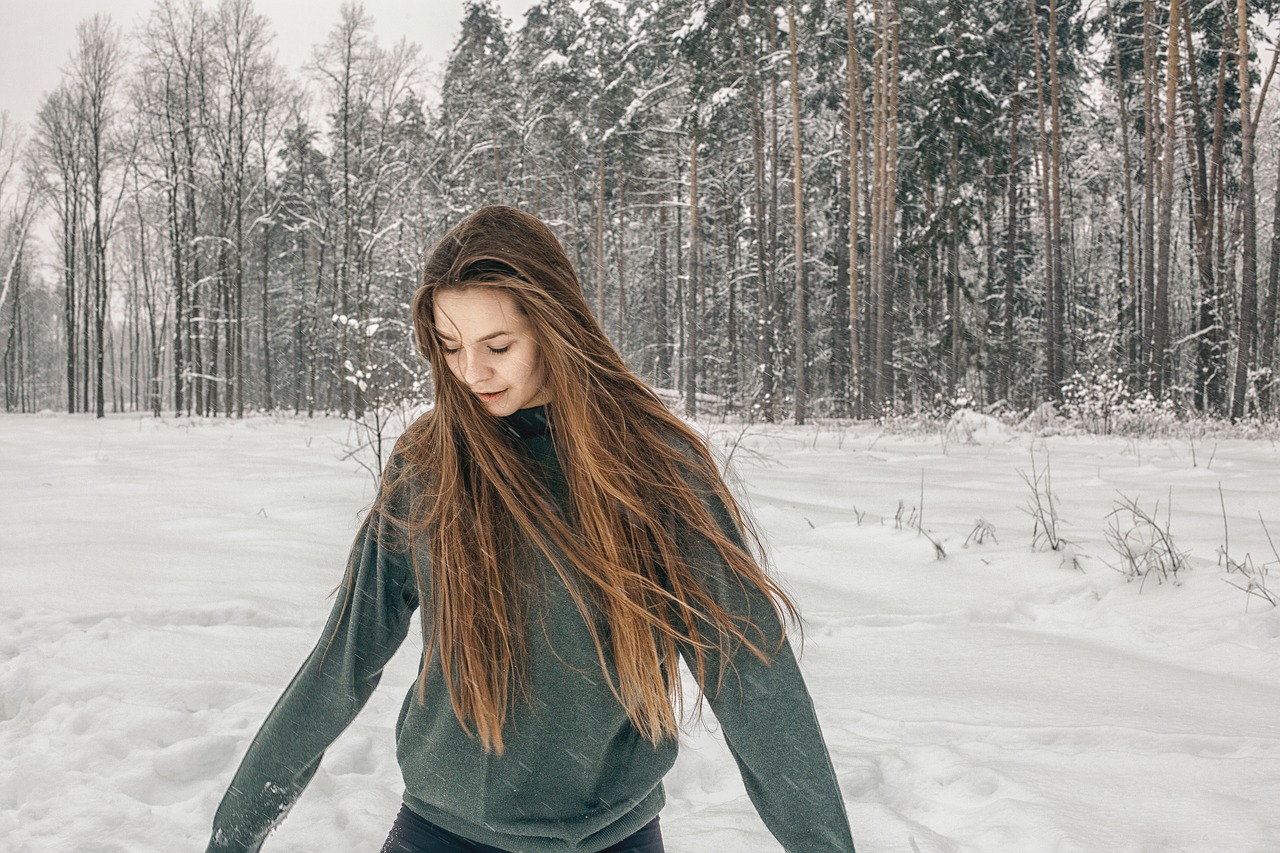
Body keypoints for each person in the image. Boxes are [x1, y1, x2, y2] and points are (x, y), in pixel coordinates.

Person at [205, 205, 857, 853]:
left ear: (554, 324)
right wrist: (232, 836)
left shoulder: (657, 467)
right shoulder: (428, 465)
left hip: (616, 837)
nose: (471, 373)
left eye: (498, 346)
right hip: (442, 834)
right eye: (451, 345)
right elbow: (341, 662)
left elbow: (751, 676)